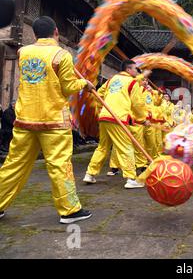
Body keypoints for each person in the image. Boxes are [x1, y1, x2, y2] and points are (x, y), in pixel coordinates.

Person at [0, 16, 95, 223]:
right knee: (60, 165)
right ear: (56, 32)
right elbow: (67, 87)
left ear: (34, 34)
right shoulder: (62, 55)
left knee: (14, 163)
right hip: (53, 121)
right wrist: (84, 84)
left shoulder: (23, 52)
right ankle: (69, 210)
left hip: (25, 118)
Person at [83, 60, 150, 189]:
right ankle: (131, 178)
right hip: (118, 118)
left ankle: (90, 174)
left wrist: (106, 107)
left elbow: (98, 94)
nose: (138, 72)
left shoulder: (111, 80)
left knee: (102, 147)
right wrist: (142, 119)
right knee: (125, 147)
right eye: (136, 69)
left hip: (105, 116)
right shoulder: (132, 82)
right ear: (129, 69)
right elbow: (137, 104)